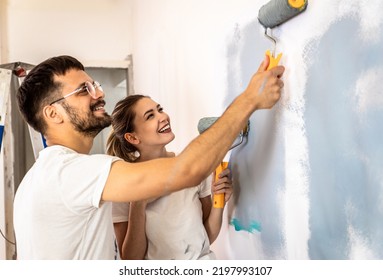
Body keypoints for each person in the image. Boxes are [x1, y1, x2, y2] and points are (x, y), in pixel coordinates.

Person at [13, 55, 284, 259]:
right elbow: (188, 170)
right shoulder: (71, 172)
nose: (100, 93)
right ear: (53, 114)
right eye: (84, 90)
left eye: (93, 84)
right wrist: (249, 100)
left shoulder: (37, 179)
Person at [106, 94, 233, 260]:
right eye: (150, 116)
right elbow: (131, 260)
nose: (163, 117)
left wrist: (219, 201)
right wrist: (138, 202)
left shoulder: (191, 167)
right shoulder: (123, 182)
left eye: (160, 110)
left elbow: (205, 238)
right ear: (133, 137)